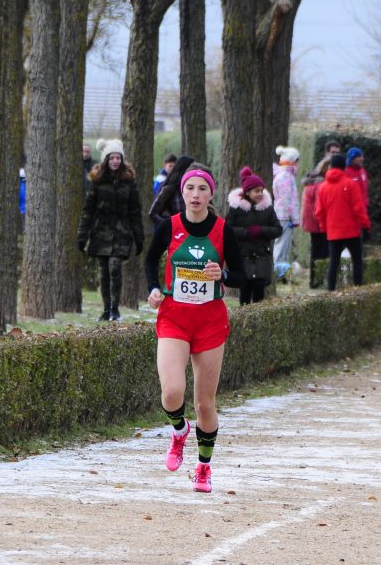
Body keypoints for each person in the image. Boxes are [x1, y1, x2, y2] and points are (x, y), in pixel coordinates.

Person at [145, 165, 246, 493]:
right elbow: (149, 260)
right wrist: (154, 288)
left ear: (210, 194)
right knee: (172, 392)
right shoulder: (169, 226)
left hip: (210, 322)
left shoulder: (222, 229)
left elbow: (243, 275)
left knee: (205, 402)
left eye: (203, 189)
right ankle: (178, 432)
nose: (196, 195)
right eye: (191, 189)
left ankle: (203, 467)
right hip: (174, 316)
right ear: (183, 193)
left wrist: (224, 276)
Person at [77, 139, 145, 321]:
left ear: (122, 160)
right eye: (112, 157)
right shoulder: (97, 181)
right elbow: (88, 210)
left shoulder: (129, 182)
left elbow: (135, 211)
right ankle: (106, 309)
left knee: (115, 267)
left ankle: (115, 308)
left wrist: (139, 237)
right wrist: (82, 235)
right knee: (103, 272)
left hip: (122, 233)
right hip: (100, 232)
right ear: (106, 160)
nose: (115, 161)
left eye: (118, 157)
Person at [226, 167, 282, 305]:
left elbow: (278, 229)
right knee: (244, 290)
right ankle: (244, 318)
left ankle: (258, 321)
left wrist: (261, 230)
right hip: (243, 256)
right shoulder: (235, 209)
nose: (260, 194)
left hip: (262, 256)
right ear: (247, 192)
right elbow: (227, 229)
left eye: (262, 191)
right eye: (257, 191)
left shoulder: (267, 208)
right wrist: (245, 233)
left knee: (259, 291)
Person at [314, 154, 370, 291]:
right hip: (351, 230)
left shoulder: (322, 187)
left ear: (331, 167)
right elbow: (358, 208)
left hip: (333, 231)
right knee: (357, 261)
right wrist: (366, 225)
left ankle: (331, 291)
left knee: (334, 262)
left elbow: (319, 211)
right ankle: (357, 289)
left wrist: (323, 228)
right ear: (344, 166)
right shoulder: (350, 184)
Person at [272, 146, 301, 282]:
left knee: (284, 246)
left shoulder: (284, 175)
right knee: (281, 246)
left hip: (284, 216)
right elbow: (287, 200)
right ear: (292, 162)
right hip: (284, 216)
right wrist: (294, 218)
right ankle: (279, 274)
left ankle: (281, 273)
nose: (299, 164)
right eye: (297, 161)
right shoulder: (285, 177)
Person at [300, 157, 331, 272]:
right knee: (322, 251)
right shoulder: (321, 184)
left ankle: (314, 277)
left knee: (315, 249)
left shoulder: (311, 181)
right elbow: (319, 207)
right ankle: (318, 277)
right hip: (318, 223)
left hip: (311, 222)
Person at [148, 155, 195, 227]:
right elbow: (153, 213)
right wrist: (170, 225)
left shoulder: (198, 190)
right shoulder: (170, 189)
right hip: (177, 234)